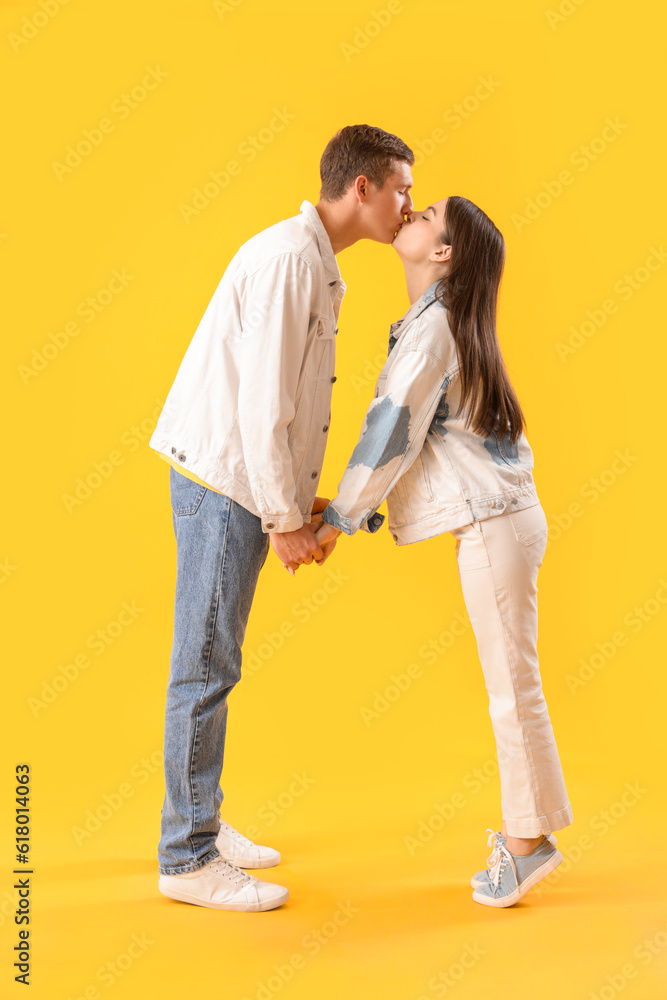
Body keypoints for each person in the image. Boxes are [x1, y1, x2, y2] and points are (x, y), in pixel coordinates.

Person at [148, 125, 415, 911]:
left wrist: (298, 502)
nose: (408, 205)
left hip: (239, 484)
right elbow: (264, 406)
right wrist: (282, 519)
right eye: (399, 188)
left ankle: (200, 817)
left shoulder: (311, 262)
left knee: (213, 659)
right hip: (226, 486)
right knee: (203, 665)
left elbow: (283, 407)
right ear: (360, 188)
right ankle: (186, 854)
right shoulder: (291, 262)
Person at [310, 195, 574, 908]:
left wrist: (337, 518)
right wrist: (341, 511)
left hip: (494, 525)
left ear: (443, 251)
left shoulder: (432, 332)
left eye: (424, 213)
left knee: (510, 688)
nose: (411, 215)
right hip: (503, 521)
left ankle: (525, 847)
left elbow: (390, 430)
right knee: (514, 683)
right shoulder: (438, 323)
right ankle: (531, 835)